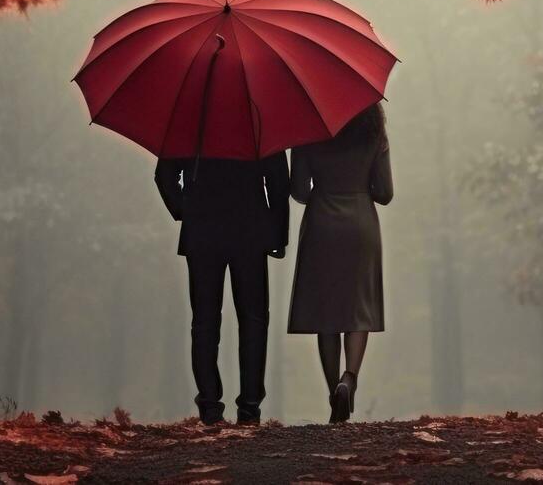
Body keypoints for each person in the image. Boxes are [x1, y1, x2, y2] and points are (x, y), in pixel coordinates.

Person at [154, 152, 289, 425]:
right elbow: (278, 182)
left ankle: (209, 405)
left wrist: (185, 209)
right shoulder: (259, 116)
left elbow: (164, 176)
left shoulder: (188, 119)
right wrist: (278, 234)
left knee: (204, 321)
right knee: (254, 320)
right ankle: (250, 407)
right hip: (250, 229)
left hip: (202, 230)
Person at [287, 101, 394, 423]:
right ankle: (350, 379)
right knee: (357, 308)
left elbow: (298, 190)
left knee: (326, 312)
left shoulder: (308, 132)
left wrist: (321, 191)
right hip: (361, 224)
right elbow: (386, 192)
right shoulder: (375, 134)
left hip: (322, 223)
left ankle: (333, 387)